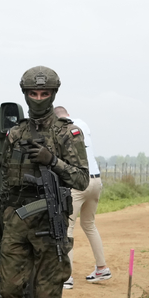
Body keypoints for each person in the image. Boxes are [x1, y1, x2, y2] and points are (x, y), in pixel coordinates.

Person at [0, 67, 90, 298]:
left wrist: (53, 161)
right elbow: (5, 179)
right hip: (16, 221)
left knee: (47, 295)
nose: (38, 99)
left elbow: (82, 179)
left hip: (49, 222)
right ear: (25, 94)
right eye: (33, 93)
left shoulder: (67, 133)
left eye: (44, 93)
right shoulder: (15, 134)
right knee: (9, 289)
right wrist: (5, 216)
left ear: (53, 94)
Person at [52, 105, 108, 288]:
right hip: (95, 181)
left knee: (67, 227)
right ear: (68, 114)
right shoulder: (82, 124)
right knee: (89, 224)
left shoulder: (59, 130)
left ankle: (66, 277)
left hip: (78, 183)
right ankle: (102, 268)